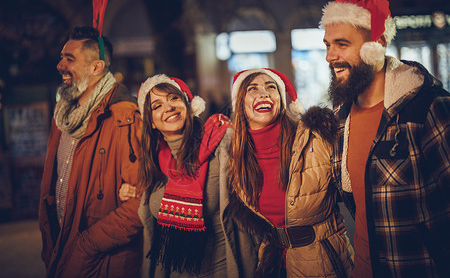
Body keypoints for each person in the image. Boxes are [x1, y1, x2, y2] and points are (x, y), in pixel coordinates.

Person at [321, 0, 450, 277]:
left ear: (376, 44)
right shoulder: (341, 119)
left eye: (342, 44)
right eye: (328, 45)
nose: (331, 56)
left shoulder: (428, 108)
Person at [227, 68, 354, 277]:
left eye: (271, 87)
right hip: (273, 264)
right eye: (253, 89)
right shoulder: (235, 156)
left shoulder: (313, 136)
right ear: (240, 103)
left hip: (322, 261)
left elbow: (351, 180)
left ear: (281, 99)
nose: (264, 93)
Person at [38, 27, 143, 278]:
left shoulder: (124, 117)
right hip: (63, 252)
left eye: (69, 59)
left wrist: (86, 246)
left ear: (96, 67)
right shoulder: (62, 115)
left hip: (103, 264)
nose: (60, 64)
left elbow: (141, 203)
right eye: (61, 56)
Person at [134, 74, 257, 277]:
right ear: (151, 122)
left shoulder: (220, 142)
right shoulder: (154, 162)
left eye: (174, 98)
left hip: (222, 269)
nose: (168, 107)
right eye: (157, 106)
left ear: (189, 105)